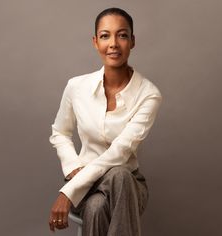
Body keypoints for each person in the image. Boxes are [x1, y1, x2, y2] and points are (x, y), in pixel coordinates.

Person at [48, 7, 162, 236]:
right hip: (85, 184)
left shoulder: (148, 94)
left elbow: (119, 153)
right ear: (95, 42)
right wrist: (72, 169)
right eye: (105, 35)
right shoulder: (76, 87)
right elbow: (59, 132)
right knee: (95, 205)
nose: (113, 44)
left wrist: (67, 192)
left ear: (132, 41)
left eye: (122, 35)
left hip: (129, 186)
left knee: (119, 174)